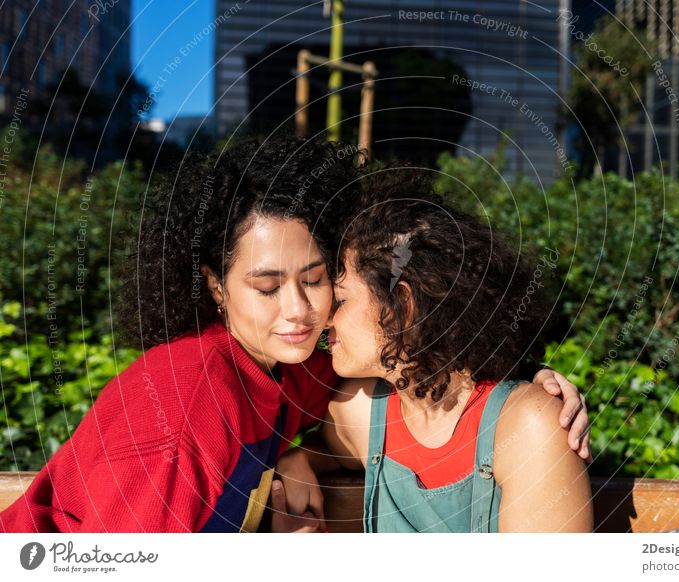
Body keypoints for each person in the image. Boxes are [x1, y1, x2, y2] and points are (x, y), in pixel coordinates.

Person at [0, 137, 588, 533]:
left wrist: (529, 380)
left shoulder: (298, 364)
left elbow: (439, 365)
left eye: (317, 280)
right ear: (214, 286)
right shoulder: (178, 421)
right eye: (265, 286)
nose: (301, 312)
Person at [302, 169, 593, 532]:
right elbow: (326, 451)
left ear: (402, 305)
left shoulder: (528, 426)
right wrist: (298, 460)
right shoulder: (359, 412)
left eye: (341, 300)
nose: (326, 319)